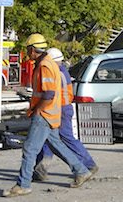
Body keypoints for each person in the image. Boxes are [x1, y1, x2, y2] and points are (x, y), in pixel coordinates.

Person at [3, 34, 93, 197]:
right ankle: (81, 171)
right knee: (56, 145)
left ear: (32, 50)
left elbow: (49, 93)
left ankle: (23, 184)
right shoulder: (48, 63)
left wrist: (37, 110)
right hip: (51, 113)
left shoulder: (44, 65)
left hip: (44, 114)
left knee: (29, 149)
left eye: (28, 50)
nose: (27, 53)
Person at [33, 48, 98, 181]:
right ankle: (41, 169)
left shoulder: (58, 73)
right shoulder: (59, 70)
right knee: (47, 139)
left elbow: (50, 94)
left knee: (65, 137)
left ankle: (88, 164)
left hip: (61, 109)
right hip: (59, 108)